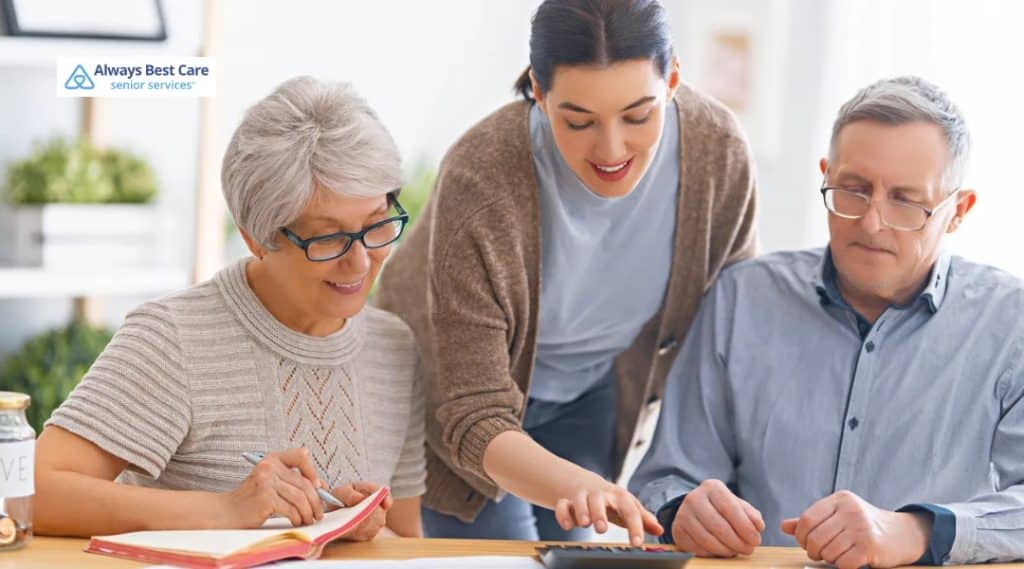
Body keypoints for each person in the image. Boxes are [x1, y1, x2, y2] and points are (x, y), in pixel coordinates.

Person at [375, 0, 758, 545]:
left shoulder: (717, 154)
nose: (611, 149)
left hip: (588, 390)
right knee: (503, 556)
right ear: (538, 89)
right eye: (578, 120)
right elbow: (473, 412)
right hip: (462, 402)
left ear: (672, 79)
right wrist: (577, 484)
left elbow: (732, 334)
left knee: (576, 549)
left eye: (638, 115)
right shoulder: (481, 176)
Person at [630, 76, 1024, 566]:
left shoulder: (1011, 323)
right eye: (854, 190)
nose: (871, 222)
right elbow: (663, 479)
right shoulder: (741, 300)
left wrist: (916, 530)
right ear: (826, 175)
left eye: (905, 200)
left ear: (958, 211)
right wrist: (680, 510)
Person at [34, 77, 425, 539]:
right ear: (255, 238)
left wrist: (348, 524)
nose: (360, 260)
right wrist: (225, 511)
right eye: (329, 237)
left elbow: (405, 541)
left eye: (377, 225)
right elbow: (31, 491)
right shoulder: (174, 338)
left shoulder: (394, 347)